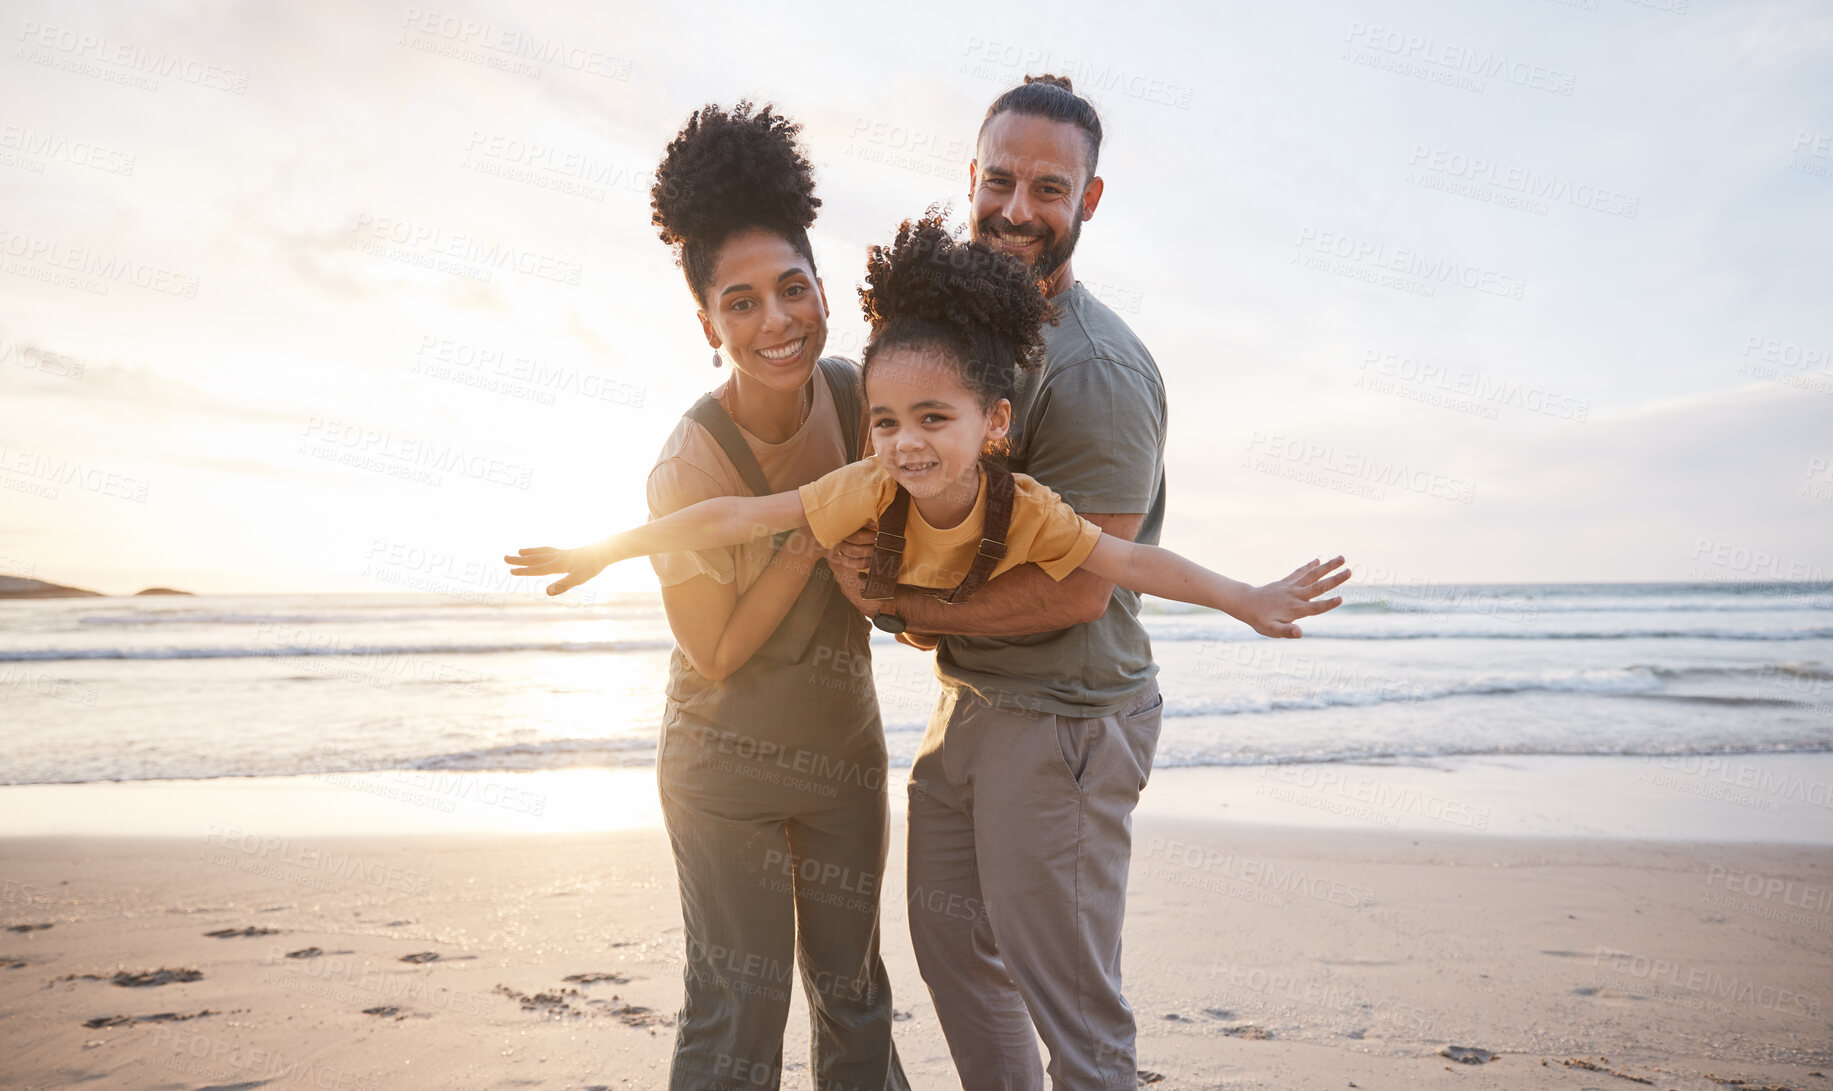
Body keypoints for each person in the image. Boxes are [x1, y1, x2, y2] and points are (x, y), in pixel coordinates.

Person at [511, 102, 908, 1091]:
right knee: (741, 1008)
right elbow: (718, 649)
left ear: (822, 290)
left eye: (791, 288)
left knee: (856, 993)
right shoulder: (688, 463)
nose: (775, 321)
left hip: (843, 755)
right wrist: (811, 530)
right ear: (706, 323)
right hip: (722, 773)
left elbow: (904, 564)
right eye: (741, 303)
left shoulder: (865, 398)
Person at [824, 75, 1186, 1089]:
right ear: (971, 178)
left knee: (1074, 1004)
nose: (1018, 210)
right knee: (952, 955)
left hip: (1066, 718)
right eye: (999, 180)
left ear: (1089, 200)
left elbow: (1082, 591)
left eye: (1048, 188)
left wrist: (907, 609)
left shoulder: (1099, 372)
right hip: (973, 699)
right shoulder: (960, 332)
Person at [508, 214, 1347, 645]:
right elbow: (731, 516)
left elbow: (1127, 562)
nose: (907, 442)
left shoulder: (1025, 508)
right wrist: (606, 548)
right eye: (883, 421)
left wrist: (1244, 597)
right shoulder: (869, 484)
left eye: (934, 419)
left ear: (993, 426)